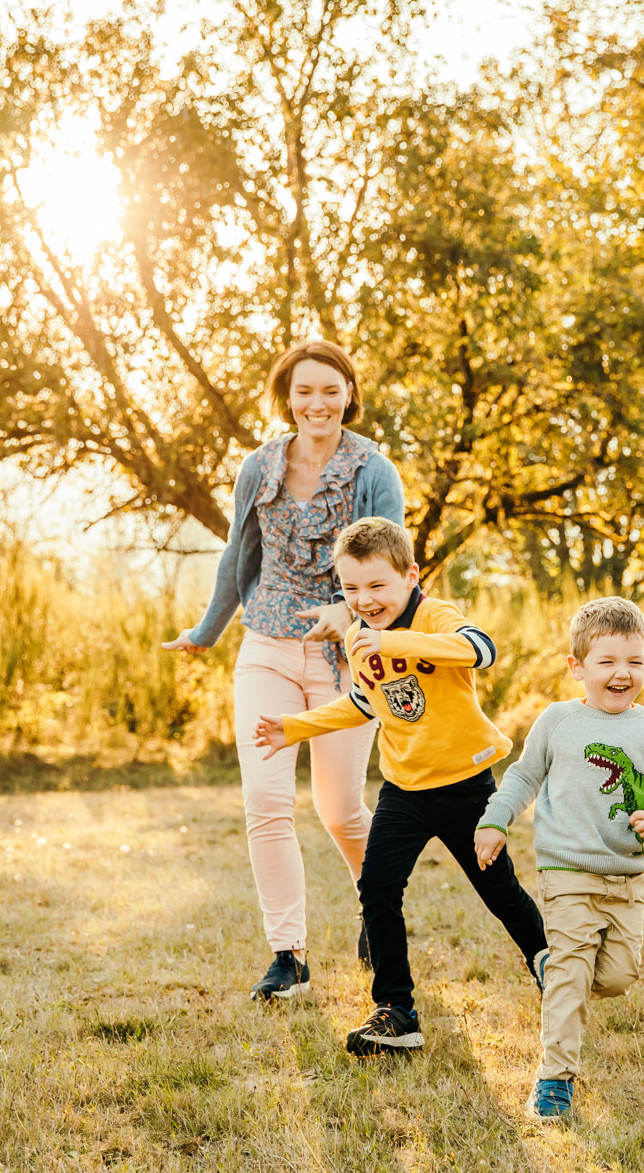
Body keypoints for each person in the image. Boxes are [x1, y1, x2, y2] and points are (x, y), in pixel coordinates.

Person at [162, 341, 405, 1003]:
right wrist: (206, 631)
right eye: (304, 391)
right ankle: (288, 954)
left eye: (330, 390)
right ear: (288, 397)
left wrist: (347, 613)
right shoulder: (258, 467)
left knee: (339, 808)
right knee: (267, 803)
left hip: (344, 658)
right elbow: (237, 554)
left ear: (349, 395)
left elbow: (392, 566)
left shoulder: (373, 469)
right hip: (266, 646)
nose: (317, 403)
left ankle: (375, 907)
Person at [252, 517, 549, 1056]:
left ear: (411, 575)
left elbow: (480, 649)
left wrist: (392, 640)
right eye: (351, 589)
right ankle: (396, 1012)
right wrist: (295, 726)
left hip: (464, 787)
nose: (364, 600)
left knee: (498, 889)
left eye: (376, 585)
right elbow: (366, 702)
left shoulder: (434, 616)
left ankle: (547, 962)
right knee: (377, 889)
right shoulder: (359, 636)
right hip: (404, 792)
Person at [475, 597, 644, 1120]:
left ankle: (553, 965)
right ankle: (555, 1079)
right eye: (608, 662)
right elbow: (524, 776)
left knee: (615, 978)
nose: (623, 674)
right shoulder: (557, 721)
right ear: (577, 667)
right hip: (567, 872)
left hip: (626, 878)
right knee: (574, 976)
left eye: (634, 662)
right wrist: (495, 819)